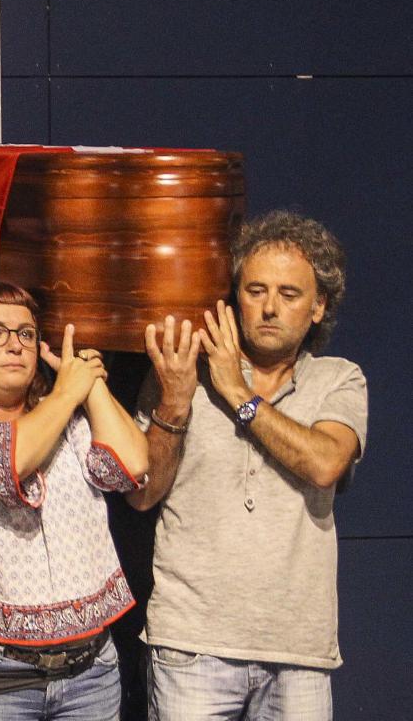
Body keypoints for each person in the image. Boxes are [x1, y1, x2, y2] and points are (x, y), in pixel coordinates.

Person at [128, 212, 367, 720]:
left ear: (319, 306)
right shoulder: (181, 372)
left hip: (297, 649)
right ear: (235, 296)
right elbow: (142, 494)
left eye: (289, 294)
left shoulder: (338, 379)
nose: (270, 308)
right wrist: (173, 402)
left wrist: (237, 391)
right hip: (191, 643)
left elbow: (325, 463)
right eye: (255, 290)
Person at [0, 282, 147, 720]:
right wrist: (67, 392)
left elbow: (131, 467)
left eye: (25, 333)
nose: (14, 345)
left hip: (90, 671)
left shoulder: (69, 421)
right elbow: (10, 460)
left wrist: (90, 384)